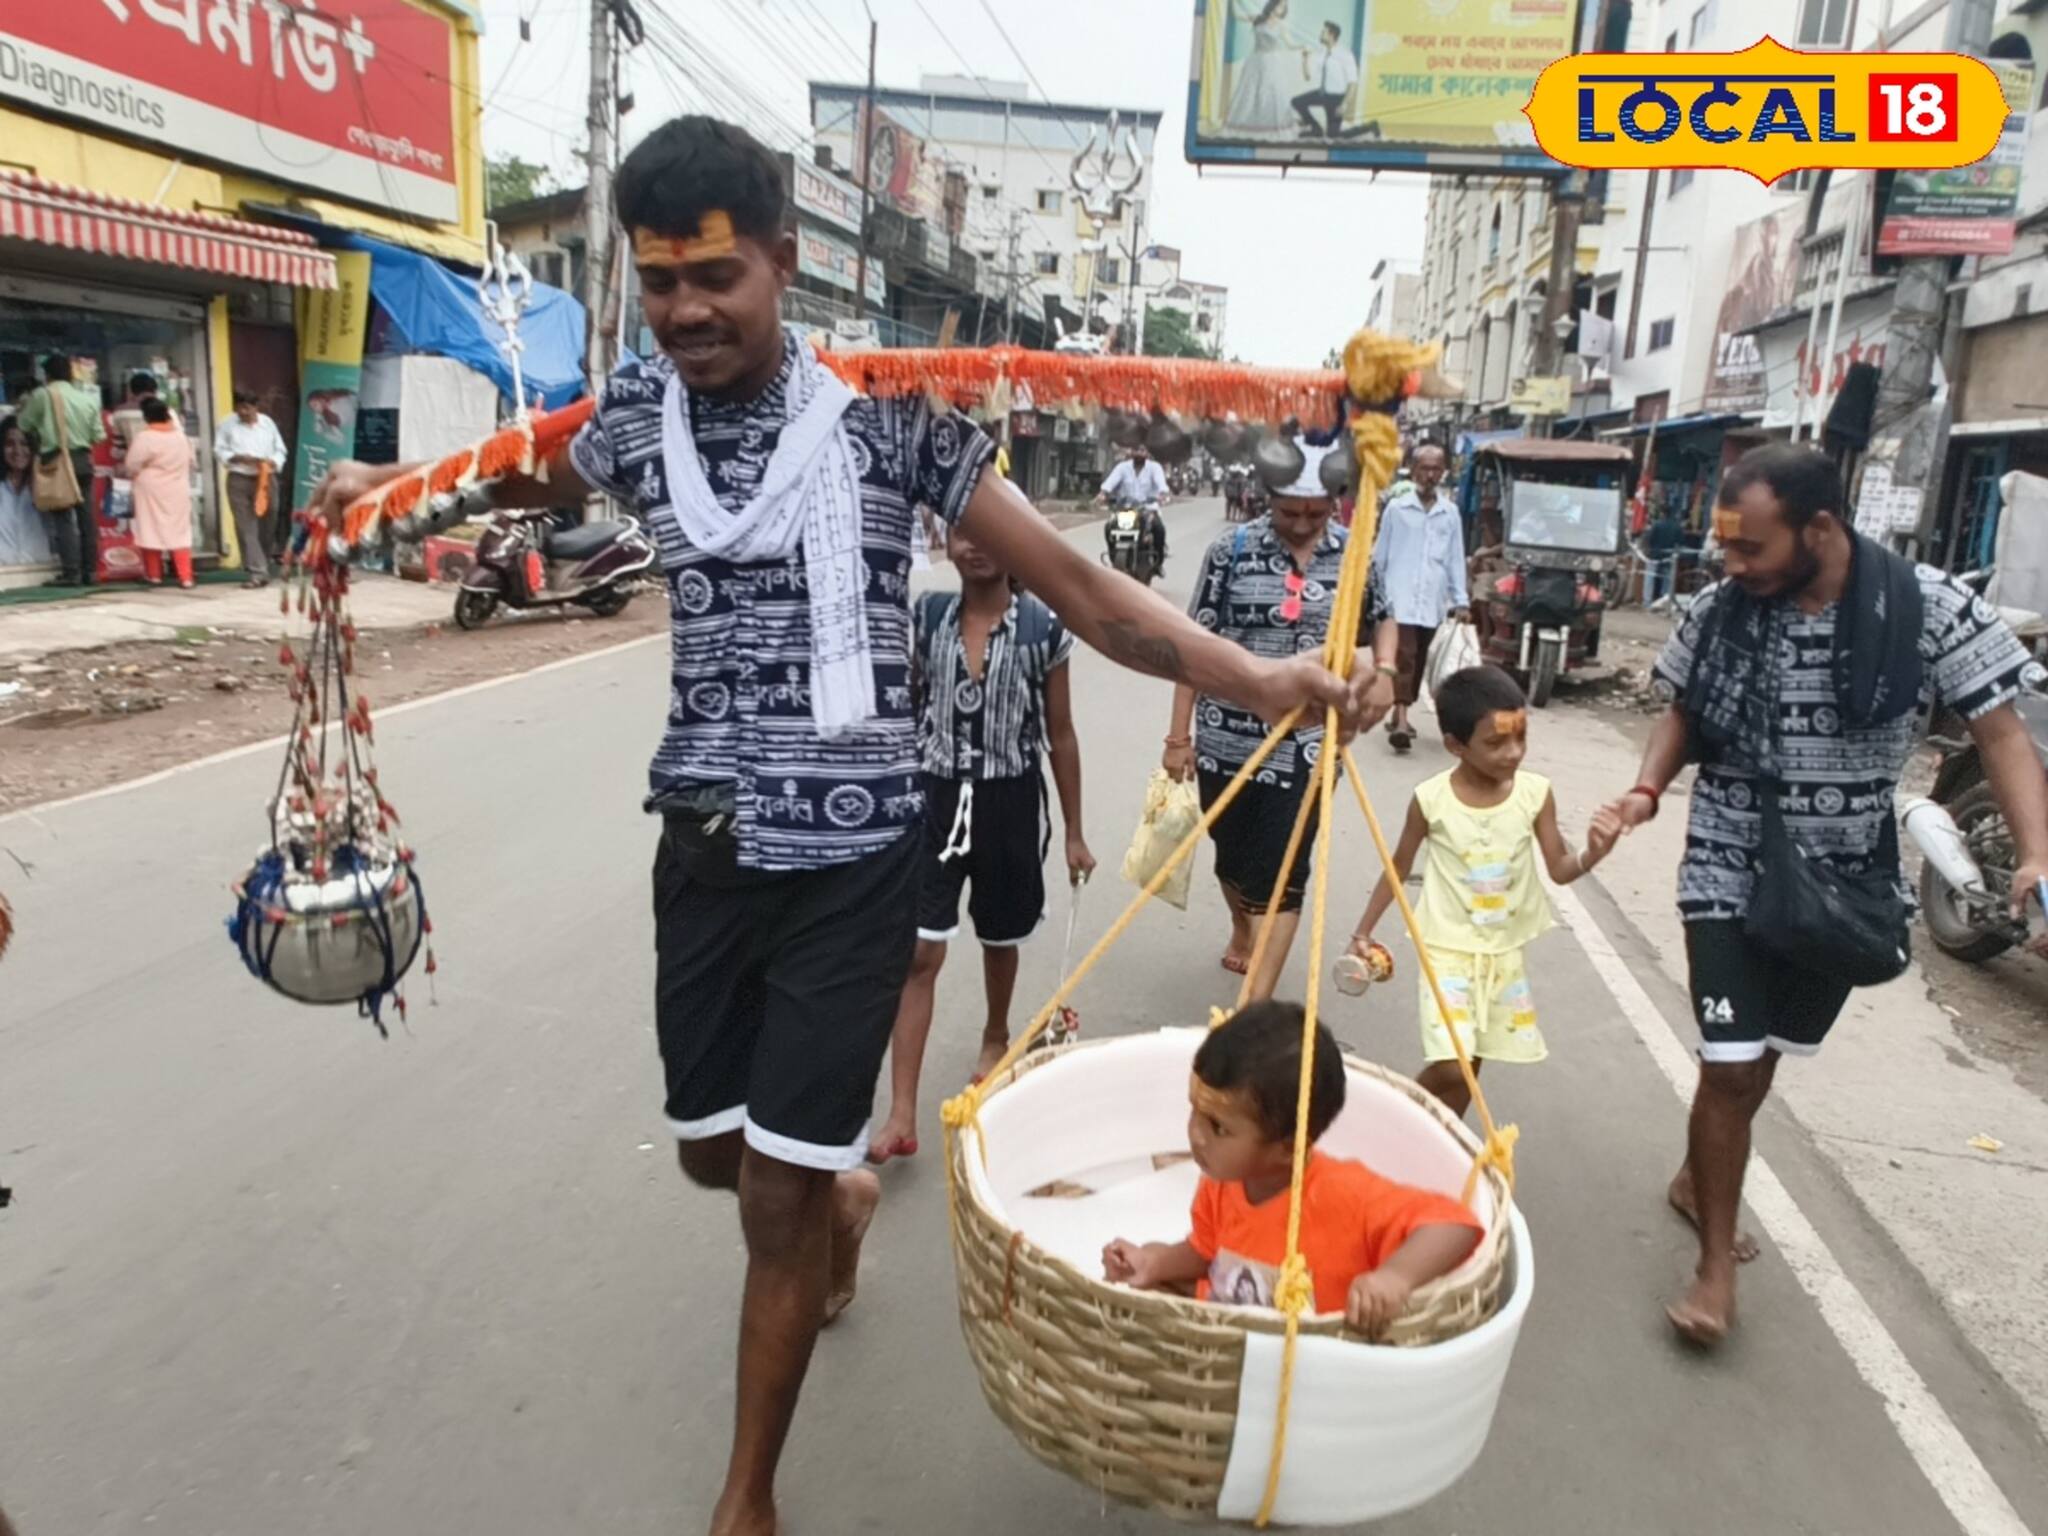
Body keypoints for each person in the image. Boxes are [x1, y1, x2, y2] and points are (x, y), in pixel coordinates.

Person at [305, 114, 1370, 1536]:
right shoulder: (638, 416)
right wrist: (399, 487)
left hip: (859, 867)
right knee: (709, 1150)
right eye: (661, 282)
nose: (688, 309)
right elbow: (540, 468)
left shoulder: (898, 428)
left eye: (719, 277)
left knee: (768, 1195)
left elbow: (1092, 598)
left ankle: (749, 1491)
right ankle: (839, 1215)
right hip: (703, 846)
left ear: (784, 266)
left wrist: (1265, 677)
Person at [1607, 444, 2048, 1347]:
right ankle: (1715, 1269)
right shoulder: (1721, 610)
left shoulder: (1927, 606)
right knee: (1729, 1065)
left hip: (1846, 882)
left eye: (1751, 548)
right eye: (1725, 547)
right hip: (1729, 858)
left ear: (1819, 528)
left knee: (1764, 1056)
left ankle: (1700, 1177)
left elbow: (2001, 736)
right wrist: (1646, 791)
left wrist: (2037, 855)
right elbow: (1683, 711)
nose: (1732, 566)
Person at [869, 521, 1095, 1163]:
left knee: (1001, 937)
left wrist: (1074, 832)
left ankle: (996, 1034)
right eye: (962, 534)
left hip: (1010, 803)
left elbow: (1062, 733)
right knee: (919, 952)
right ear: (947, 543)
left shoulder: (1042, 630)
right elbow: (903, 708)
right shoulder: (929, 616)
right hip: (934, 800)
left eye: (988, 534)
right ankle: (901, 1113)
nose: (974, 546)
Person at [1166, 439, 1397, 1002]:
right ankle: (1244, 919)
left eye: (1315, 513)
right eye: (1288, 512)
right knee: (1232, 857)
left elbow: (1383, 618)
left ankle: (1254, 1008)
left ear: (1335, 505)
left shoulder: (1355, 552)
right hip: (1227, 739)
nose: (1301, 524)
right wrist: (1179, 736)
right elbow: (1192, 646)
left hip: (1311, 745)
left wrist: (1387, 669)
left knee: (1285, 873)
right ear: (1265, 499)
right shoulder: (1230, 551)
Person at [1100, 1001, 1483, 1336]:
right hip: (1224, 1352)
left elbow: (1455, 1226)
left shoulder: (1346, 1194)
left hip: (1304, 1373)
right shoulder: (1223, 1180)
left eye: (1218, 1127)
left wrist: (1395, 1277)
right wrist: (1154, 1261)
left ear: (1287, 1148)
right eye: (1195, 1112)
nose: (1197, 1136)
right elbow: (1207, 1252)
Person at [1346, 666, 1622, 1116]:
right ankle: (1386, 1114)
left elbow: (1559, 868)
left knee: (1468, 1071)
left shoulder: (1535, 794)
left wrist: (1594, 852)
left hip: (1501, 954)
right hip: (1447, 950)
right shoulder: (1431, 798)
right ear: (1455, 745)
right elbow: (1398, 866)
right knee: (1453, 1066)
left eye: (1520, 738)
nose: (1513, 753)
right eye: (1496, 743)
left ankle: (1436, 1146)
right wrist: (1363, 932)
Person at [1374, 443, 1468, 752]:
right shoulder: (1397, 510)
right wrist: (1375, 593)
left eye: (1435, 469)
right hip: (1398, 598)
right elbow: (1381, 556)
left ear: (1443, 472)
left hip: (1432, 600)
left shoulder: (1450, 514)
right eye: (1424, 469)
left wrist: (1461, 599)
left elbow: (1455, 558)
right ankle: (1400, 718)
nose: (1429, 475)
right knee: (1406, 655)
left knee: (1420, 657)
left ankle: (1400, 708)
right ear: (1413, 471)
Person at [15, 354, 106, 588]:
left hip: (58, 460)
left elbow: (24, 424)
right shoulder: (87, 399)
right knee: (86, 518)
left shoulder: (43, 395)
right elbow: (98, 435)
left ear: (47, 375)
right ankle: (91, 571)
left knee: (63, 516)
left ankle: (71, 573)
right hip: (84, 460)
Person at [214, 388, 287, 587]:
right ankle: (258, 571)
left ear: (256, 407)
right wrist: (236, 457)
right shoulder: (227, 424)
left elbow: (280, 449)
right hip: (239, 478)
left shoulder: (267, 423)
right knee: (247, 526)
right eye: (240, 408)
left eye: (247, 408)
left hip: (266, 478)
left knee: (268, 520)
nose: (243, 412)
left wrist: (272, 462)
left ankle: (259, 563)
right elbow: (219, 449)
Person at [125, 397, 197, 589]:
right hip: (178, 488)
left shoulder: (145, 437)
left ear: (146, 417)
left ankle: (154, 575)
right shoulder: (181, 437)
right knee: (180, 532)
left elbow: (131, 464)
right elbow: (191, 461)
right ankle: (186, 577)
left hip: (150, 490)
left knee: (149, 529)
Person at [1227, 0, 1305, 133]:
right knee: (1250, 92)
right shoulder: (1258, 18)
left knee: (1270, 92)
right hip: (1255, 60)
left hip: (1271, 62)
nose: (1281, 8)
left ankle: (1271, 124)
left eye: (1284, 6)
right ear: (1273, 4)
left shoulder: (1281, 25)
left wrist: (1302, 46)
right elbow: (1236, 14)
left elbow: (1290, 44)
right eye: (1280, 4)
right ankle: (1248, 123)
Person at [1097, 444, 1171, 570]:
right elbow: (1110, 483)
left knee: (1159, 529)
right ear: (1131, 451)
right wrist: (1103, 494)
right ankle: (1112, 556)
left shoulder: (1154, 468)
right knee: (1108, 527)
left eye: (1142, 450)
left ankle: (1158, 562)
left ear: (1147, 453)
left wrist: (1162, 494)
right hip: (1125, 509)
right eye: (1136, 449)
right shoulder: (1122, 467)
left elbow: (1161, 485)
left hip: (1148, 509)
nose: (1139, 453)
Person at [0, 419, 53, 570]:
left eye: (24, 444)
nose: (17, 450)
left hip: (40, 571)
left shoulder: (46, 484)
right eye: (10, 444)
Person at [1292, 21, 1359, 139]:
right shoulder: (1322, 53)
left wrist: (1344, 104)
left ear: (1331, 35)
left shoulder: (1345, 54)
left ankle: (1369, 128)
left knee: (1333, 136)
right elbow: (1308, 76)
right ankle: (1315, 128)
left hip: (1336, 98)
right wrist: (1305, 59)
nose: (1320, 34)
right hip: (1322, 94)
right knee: (1297, 101)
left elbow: (1352, 83)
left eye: (1323, 32)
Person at [108, 371, 159, 462]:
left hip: (135, 465)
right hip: (163, 465)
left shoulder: (120, 413)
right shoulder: (168, 411)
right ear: (155, 391)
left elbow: (119, 448)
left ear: (131, 391)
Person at [1643, 503, 1682, 608]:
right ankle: (1664, 601)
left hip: (1655, 554)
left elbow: (1650, 539)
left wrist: (1649, 549)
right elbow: (1679, 542)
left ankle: (1647, 601)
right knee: (1667, 579)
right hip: (1669, 556)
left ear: (1661, 513)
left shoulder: (1656, 524)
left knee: (1650, 578)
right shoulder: (1677, 526)